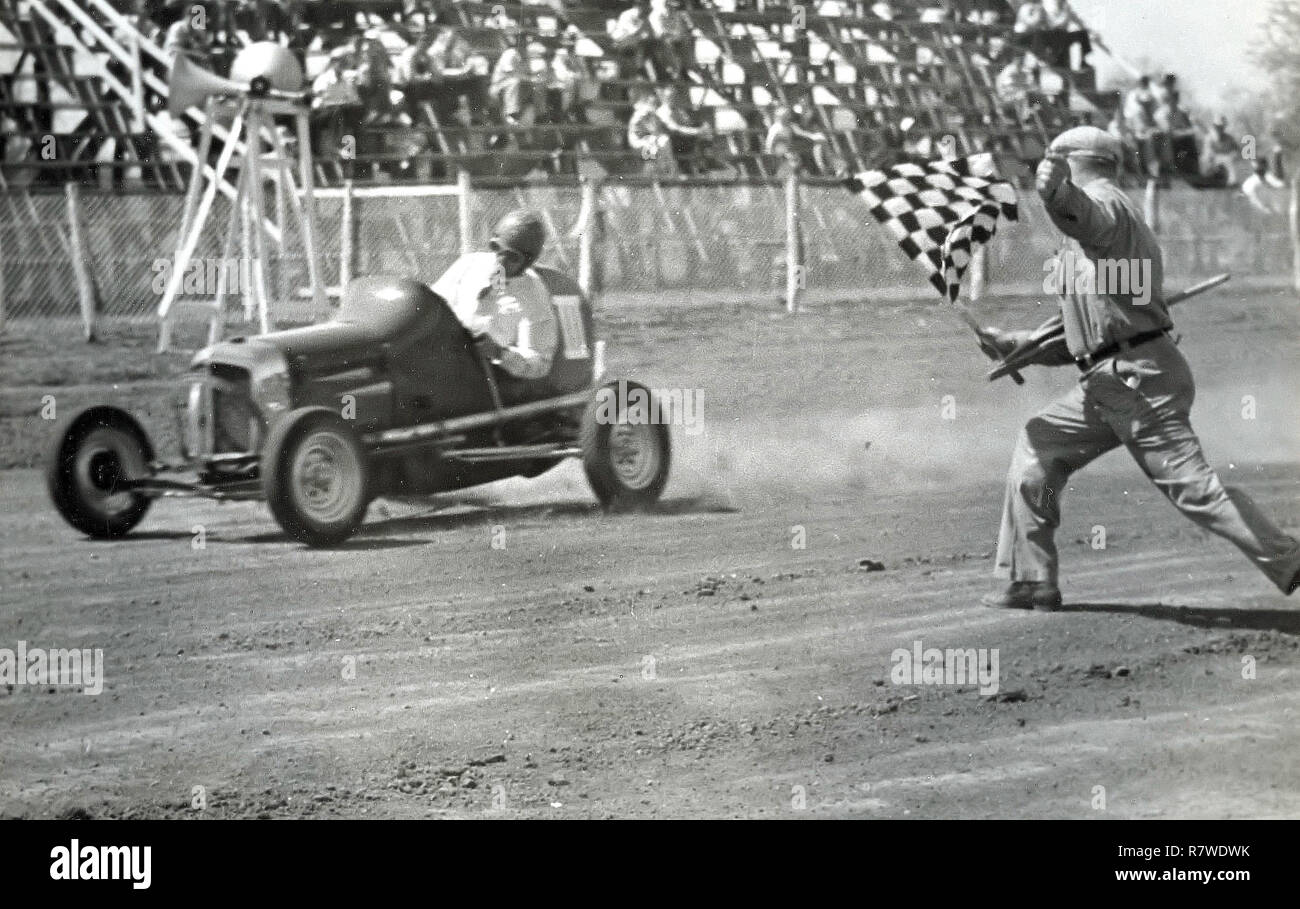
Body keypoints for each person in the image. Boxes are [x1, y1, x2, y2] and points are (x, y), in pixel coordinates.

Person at [978, 126, 1300, 609]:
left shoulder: (1106, 207)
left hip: (1137, 379)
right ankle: (1029, 579)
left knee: (1196, 491)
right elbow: (1090, 331)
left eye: (1054, 159)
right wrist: (1018, 344)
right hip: (1110, 378)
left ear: (1074, 162)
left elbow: (1085, 217)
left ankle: (1290, 559)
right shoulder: (1099, 236)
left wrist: (1057, 193)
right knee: (1039, 449)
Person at [431, 210, 559, 382]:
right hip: (440, 361)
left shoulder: (534, 295)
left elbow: (540, 362)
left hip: (482, 380)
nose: (500, 261)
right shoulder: (469, 265)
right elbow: (431, 304)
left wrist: (500, 353)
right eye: (496, 248)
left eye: (512, 257)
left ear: (526, 262)